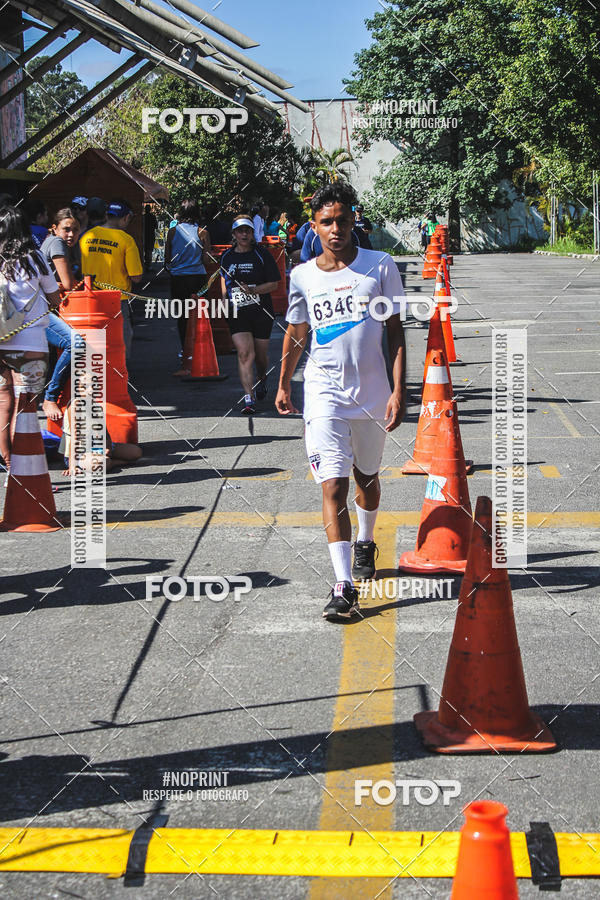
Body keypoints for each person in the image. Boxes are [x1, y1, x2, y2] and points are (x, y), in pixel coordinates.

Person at [275, 182, 406, 621]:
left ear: (354, 222)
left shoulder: (380, 266)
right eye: (326, 222)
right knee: (334, 484)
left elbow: (395, 332)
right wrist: (281, 383)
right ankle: (343, 585)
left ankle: (366, 541)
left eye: (342, 221)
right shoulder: (302, 275)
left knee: (367, 478)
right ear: (314, 225)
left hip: (370, 394)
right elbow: (296, 332)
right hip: (323, 393)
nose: (335, 229)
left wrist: (399, 390)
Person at [0, 206, 60, 474]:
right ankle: (23, 474)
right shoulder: (35, 258)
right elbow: (56, 298)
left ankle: (9, 464)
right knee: (25, 408)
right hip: (32, 344)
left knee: (3, 405)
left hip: (1, 342)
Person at [220, 214, 281, 414]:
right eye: (240, 231)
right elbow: (223, 279)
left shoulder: (262, 255)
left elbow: (274, 283)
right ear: (234, 234)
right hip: (238, 311)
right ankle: (248, 398)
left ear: (253, 233)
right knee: (246, 353)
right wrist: (223, 300)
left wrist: (254, 291)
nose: (244, 234)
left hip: (261, 311)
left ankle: (262, 378)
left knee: (260, 356)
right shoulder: (227, 257)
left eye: (247, 230)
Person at [80, 198, 143, 359]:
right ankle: (119, 380)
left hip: (89, 299)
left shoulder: (86, 237)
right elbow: (136, 277)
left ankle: (100, 380)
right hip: (117, 300)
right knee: (119, 344)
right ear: (126, 218)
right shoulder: (126, 240)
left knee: (94, 344)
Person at [40, 208, 85, 422]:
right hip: (37, 312)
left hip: (41, 309)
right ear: (54, 228)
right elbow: (69, 284)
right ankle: (50, 397)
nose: (71, 234)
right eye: (66, 229)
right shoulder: (56, 243)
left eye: (75, 230)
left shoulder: (53, 242)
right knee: (75, 344)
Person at [164, 198, 212, 365]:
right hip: (198, 278)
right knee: (201, 315)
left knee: (182, 316)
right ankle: (200, 348)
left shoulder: (172, 232)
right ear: (197, 213)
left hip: (178, 279)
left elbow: (167, 259)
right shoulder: (203, 233)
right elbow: (206, 260)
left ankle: (185, 350)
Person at [143, 203, 158, 269]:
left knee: (144, 249)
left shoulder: (143, 217)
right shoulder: (153, 216)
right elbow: (156, 226)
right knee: (149, 250)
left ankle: (145, 264)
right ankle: (149, 265)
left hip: (144, 234)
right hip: (151, 235)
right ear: (150, 209)